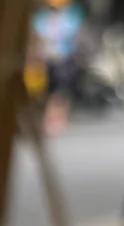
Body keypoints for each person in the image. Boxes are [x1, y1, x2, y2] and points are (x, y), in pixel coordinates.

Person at [31, 0, 83, 135]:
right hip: (51, 60)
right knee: (53, 89)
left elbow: (75, 37)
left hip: (63, 59)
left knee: (60, 90)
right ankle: (52, 118)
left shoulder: (72, 17)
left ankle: (58, 118)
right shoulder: (41, 19)